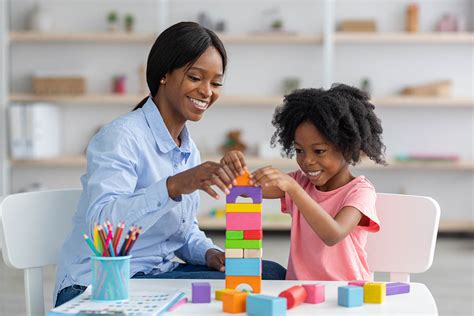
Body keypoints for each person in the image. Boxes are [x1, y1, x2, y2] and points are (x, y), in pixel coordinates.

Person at [54, 21, 286, 307]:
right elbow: (102, 226)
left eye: (215, 83)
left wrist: (210, 253)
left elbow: (182, 232)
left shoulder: (189, 150)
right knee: (257, 288)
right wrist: (173, 186)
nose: (206, 91)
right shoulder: (121, 137)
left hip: (155, 274)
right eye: (195, 77)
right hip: (98, 283)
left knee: (270, 273)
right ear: (164, 74)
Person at [221, 84, 386, 281]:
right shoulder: (300, 181)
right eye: (299, 150)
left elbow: (333, 234)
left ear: (347, 148)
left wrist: (293, 188)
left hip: (345, 291)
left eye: (319, 151)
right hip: (299, 290)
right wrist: (234, 165)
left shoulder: (360, 192)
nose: (307, 160)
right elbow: (244, 188)